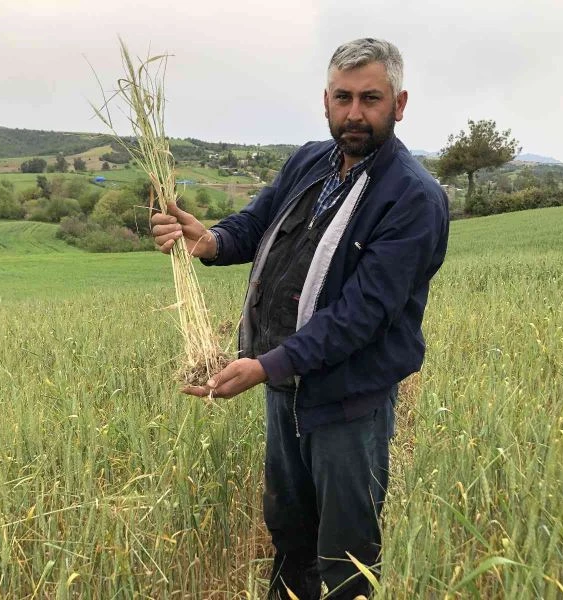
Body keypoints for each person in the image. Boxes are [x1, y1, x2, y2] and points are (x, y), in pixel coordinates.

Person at [152, 38, 449, 600]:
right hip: (283, 386)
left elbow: (364, 315)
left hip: (347, 402)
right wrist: (208, 240)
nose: (354, 113)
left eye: (371, 99)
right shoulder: (311, 161)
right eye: (343, 98)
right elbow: (256, 223)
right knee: (289, 531)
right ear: (326, 100)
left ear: (400, 104)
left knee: (344, 552)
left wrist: (265, 365)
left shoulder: (412, 197)